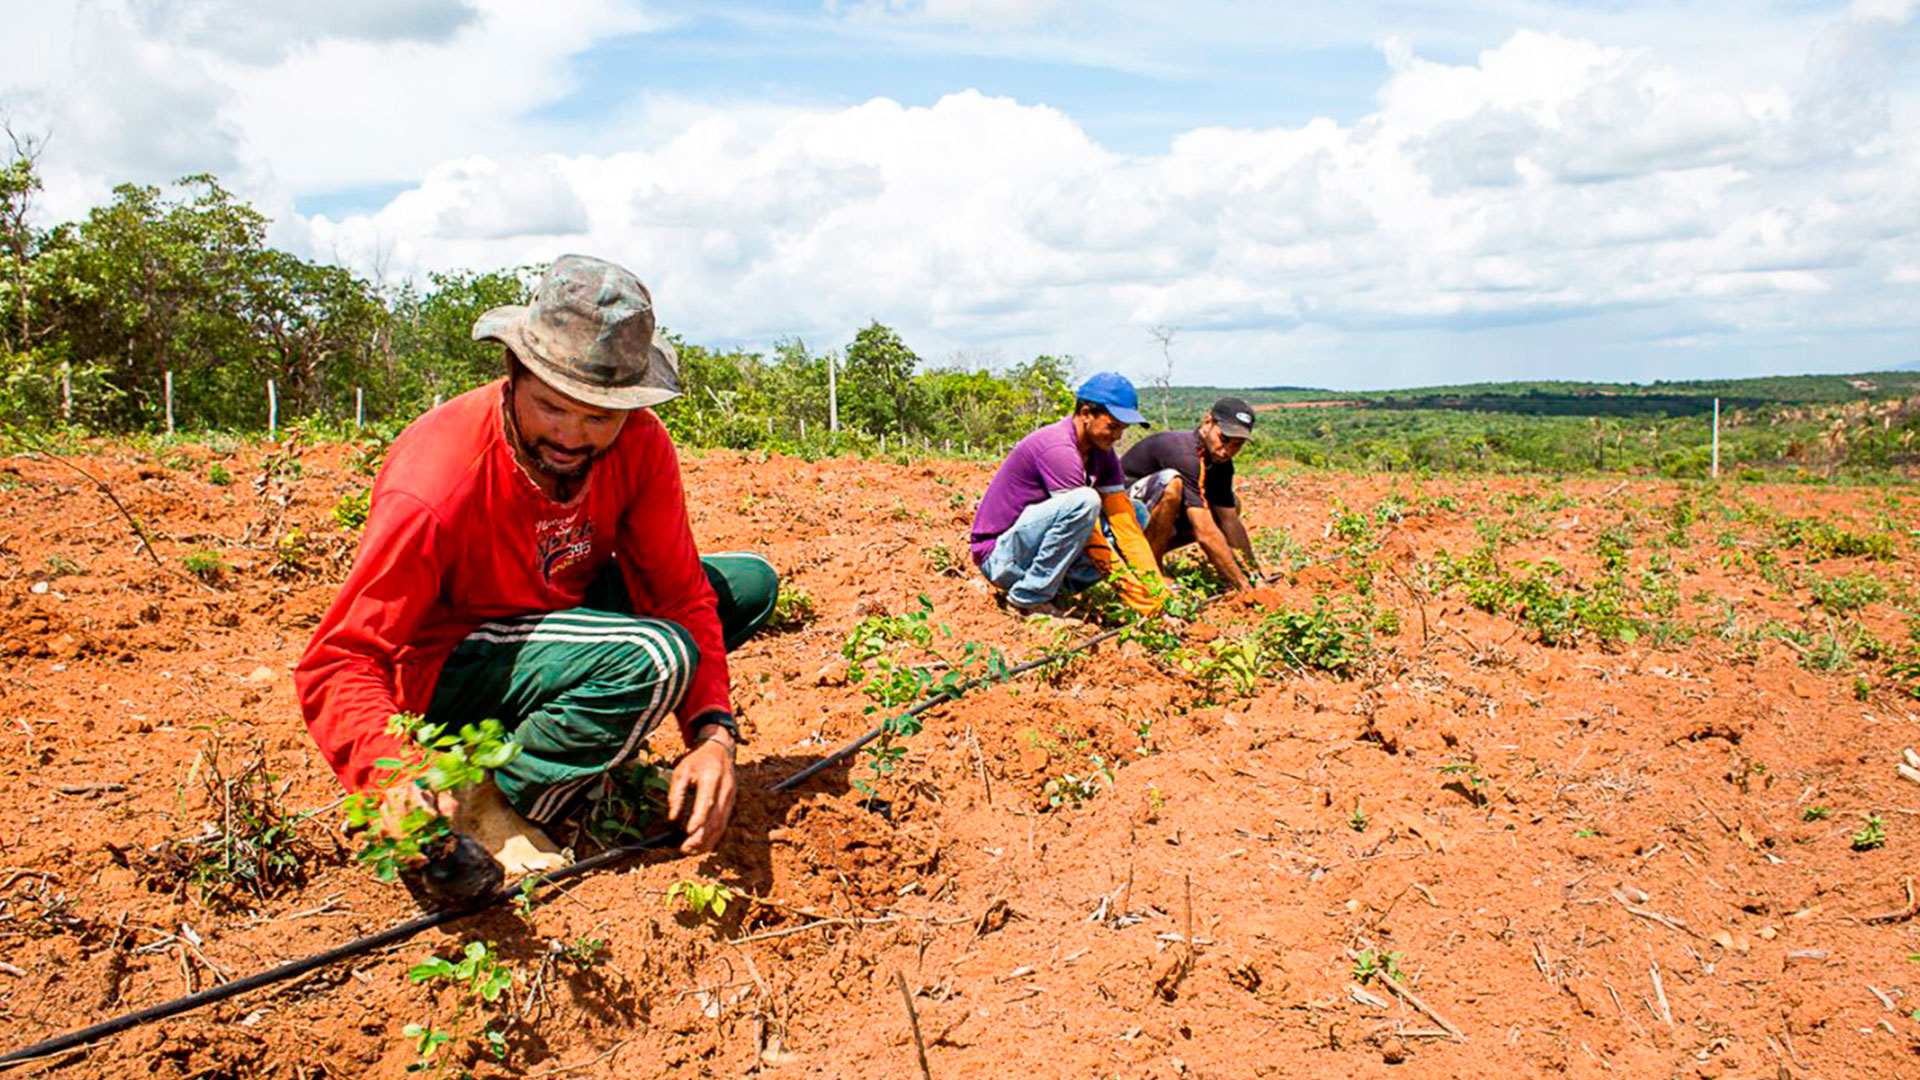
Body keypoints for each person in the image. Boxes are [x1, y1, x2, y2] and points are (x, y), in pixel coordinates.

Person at [295, 254, 777, 882]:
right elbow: (340, 659)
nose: (573, 436)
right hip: (452, 659)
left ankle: (576, 721)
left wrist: (713, 735)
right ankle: (486, 796)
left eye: (598, 416)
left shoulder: (639, 442)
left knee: (743, 587)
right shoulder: (436, 484)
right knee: (659, 657)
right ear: (513, 372)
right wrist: (390, 769)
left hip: (556, 612)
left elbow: (681, 592)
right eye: (552, 407)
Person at [969, 372, 1168, 619]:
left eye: (1123, 429)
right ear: (1086, 414)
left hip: (1030, 550)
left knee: (1135, 512)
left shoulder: (1102, 453)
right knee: (1085, 501)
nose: (1118, 436)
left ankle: (1055, 591)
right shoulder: (1058, 447)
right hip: (1000, 557)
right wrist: (1141, 601)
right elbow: (1092, 538)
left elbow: (1125, 527)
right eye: (1113, 426)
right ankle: (1027, 601)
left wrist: (1157, 592)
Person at [1121, 396, 1260, 591]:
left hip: (1148, 523)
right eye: (1224, 439)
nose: (1227, 450)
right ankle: (1150, 573)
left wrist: (1253, 573)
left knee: (1231, 505)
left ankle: (1145, 560)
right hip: (1121, 518)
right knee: (1172, 485)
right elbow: (1204, 531)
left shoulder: (1221, 463)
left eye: (1237, 444)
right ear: (1208, 422)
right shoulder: (1183, 453)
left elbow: (1230, 521)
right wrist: (1242, 585)